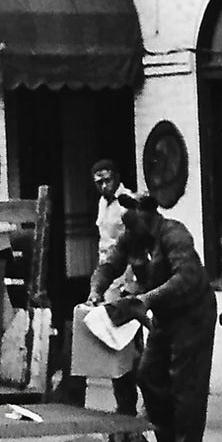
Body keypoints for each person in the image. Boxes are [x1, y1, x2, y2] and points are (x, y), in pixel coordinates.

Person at [104, 193, 218, 442]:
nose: (128, 230)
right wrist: (96, 289)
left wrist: (146, 299)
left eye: (133, 222)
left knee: (186, 384)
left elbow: (186, 277)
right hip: (164, 314)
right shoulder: (133, 236)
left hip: (193, 312)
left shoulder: (174, 233)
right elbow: (110, 264)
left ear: (148, 216)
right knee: (148, 375)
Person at [83, 159, 141, 415]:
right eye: (99, 182)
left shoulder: (128, 202)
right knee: (114, 344)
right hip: (109, 281)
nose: (104, 186)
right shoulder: (102, 203)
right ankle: (124, 404)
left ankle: (142, 403)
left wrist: (131, 285)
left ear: (117, 177)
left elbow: (134, 246)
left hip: (126, 281)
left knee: (131, 346)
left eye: (107, 180)